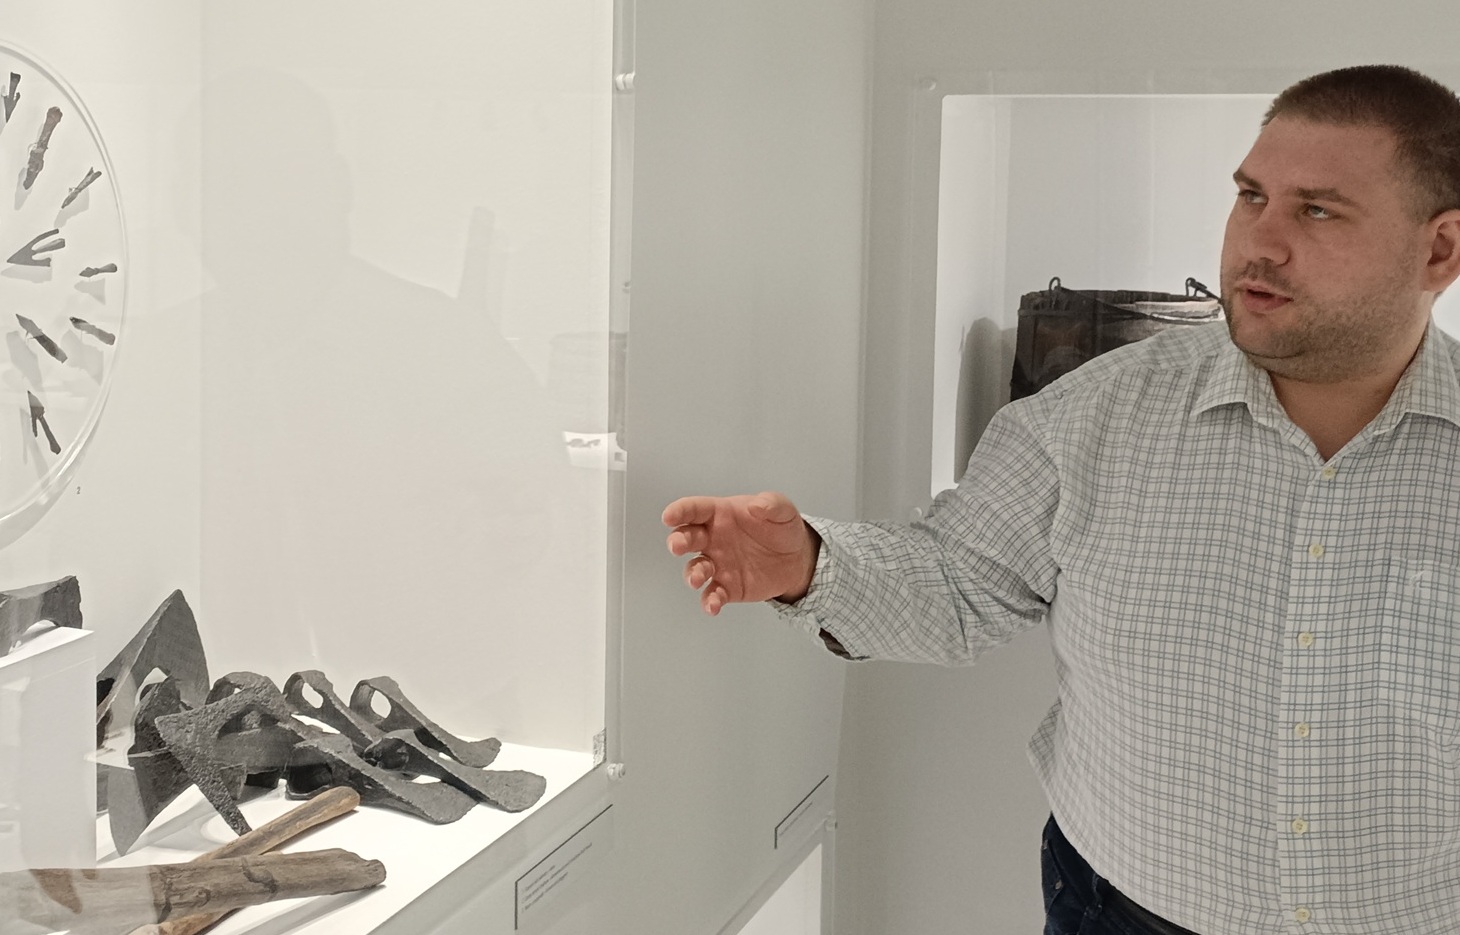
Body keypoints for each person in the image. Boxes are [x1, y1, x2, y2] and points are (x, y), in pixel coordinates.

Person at [663, 64, 1460, 935]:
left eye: (1318, 211)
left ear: (1440, 250)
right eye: (1251, 196)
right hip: (1124, 913)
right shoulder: (1094, 414)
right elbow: (958, 583)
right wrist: (812, 565)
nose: (1259, 242)